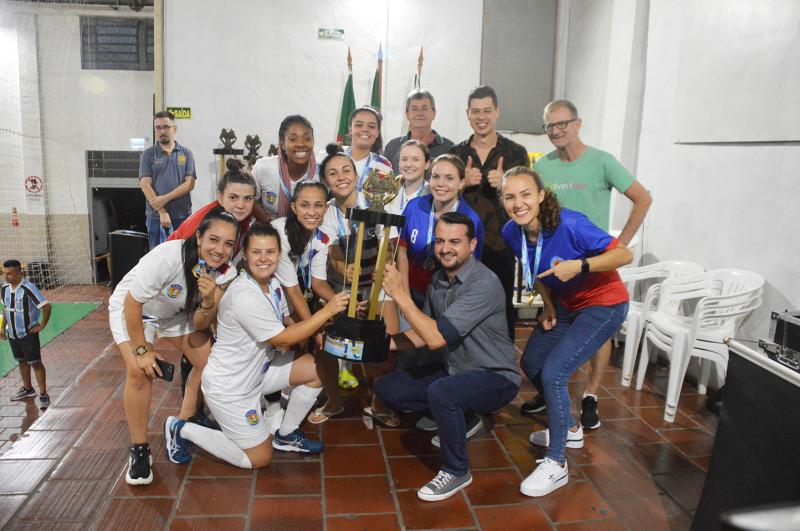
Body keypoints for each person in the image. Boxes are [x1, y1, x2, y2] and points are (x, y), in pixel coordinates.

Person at [164, 223, 350, 468]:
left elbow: (288, 321)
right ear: (245, 254)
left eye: (270, 252)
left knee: (318, 368)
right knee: (259, 459)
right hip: (230, 388)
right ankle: (182, 428)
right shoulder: (244, 295)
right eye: (256, 252)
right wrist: (327, 311)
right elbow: (282, 339)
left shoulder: (272, 284)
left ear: (279, 254)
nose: (264, 259)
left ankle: (286, 434)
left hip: (258, 374)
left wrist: (323, 328)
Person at [500, 166, 631, 497]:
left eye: (526, 194)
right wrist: (548, 306)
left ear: (541, 196)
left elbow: (624, 254)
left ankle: (556, 462)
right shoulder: (510, 231)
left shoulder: (571, 224)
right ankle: (570, 428)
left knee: (555, 374)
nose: (518, 203)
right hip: (567, 305)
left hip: (604, 305)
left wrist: (580, 265)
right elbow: (538, 270)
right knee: (532, 364)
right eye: (510, 196)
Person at [376, 212, 520, 502]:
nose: (445, 248)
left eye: (455, 241)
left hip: (495, 377)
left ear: (472, 244)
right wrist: (380, 345)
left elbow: (434, 338)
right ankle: (464, 420)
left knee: (443, 393)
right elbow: (424, 333)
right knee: (387, 387)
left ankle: (457, 470)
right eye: (440, 241)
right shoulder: (439, 279)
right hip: (456, 370)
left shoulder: (484, 283)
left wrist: (399, 294)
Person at [527, 99, 652, 430]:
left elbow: (643, 198)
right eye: (549, 126)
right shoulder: (544, 167)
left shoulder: (602, 162)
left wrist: (620, 243)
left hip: (592, 265)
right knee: (557, 329)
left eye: (562, 124)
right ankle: (550, 390)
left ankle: (591, 396)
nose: (555, 131)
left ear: (578, 123)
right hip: (556, 270)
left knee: (597, 333)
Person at [108, 210, 239, 485]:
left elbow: (203, 321)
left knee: (209, 362)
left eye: (228, 244)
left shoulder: (227, 272)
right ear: (199, 236)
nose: (220, 250)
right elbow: (132, 304)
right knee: (138, 372)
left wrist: (208, 300)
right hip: (134, 309)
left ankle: (182, 425)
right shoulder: (168, 256)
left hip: (177, 313)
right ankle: (140, 450)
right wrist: (142, 350)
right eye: (214, 240)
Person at [168, 158, 259, 421]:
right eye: (233, 197)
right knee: (200, 353)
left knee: (204, 352)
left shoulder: (242, 217)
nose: (240, 204)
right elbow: (181, 264)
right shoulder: (206, 223)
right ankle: (191, 417)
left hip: (200, 284)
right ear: (220, 197)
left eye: (247, 198)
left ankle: (202, 412)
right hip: (176, 290)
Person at [450, 86, 529, 340]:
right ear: (467, 114)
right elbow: (442, 197)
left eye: (486, 110)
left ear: (497, 112)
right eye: (475, 111)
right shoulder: (457, 154)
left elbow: (527, 199)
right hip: (462, 246)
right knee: (460, 306)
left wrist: (506, 184)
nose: (481, 117)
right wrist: (462, 184)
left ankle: (503, 366)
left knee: (501, 305)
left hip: (501, 244)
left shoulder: (516, 152)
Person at [396, 154, 483, 308]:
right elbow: (401, 252)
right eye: (436, 177)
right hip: (413, 292)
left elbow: (470, 269)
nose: (441, 184)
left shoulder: (471, 220)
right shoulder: (414, 207)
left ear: (461, 183)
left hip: (449, 299)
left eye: (449, 178)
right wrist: (405, 297)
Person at [139, 110, 197, 250]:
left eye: (166, 127)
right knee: (157, 258)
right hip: (156, 218)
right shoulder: (148, 155)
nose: (161, 131)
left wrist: (165, 198)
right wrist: (162, 212)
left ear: (174, 129)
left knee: (182, 256)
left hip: (182, 215)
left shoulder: (186, 153)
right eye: (158, 128)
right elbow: (145, 185)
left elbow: (189, 184)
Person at [1, 260, 51, 408]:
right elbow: (5, 309)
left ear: (19, 273)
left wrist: (41, 325)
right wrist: (3, 327)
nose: (6, 276)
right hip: (12, 334)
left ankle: (43, 394)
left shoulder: (28, 288)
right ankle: (28, 389)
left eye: (9, 273)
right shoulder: (4, 288)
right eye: (4, 273)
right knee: (21, 361)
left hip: (27, 334)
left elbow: (46, 306)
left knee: (35, 363)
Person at [252, 115, 319, 222]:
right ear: (282, 144)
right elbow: (252, 200)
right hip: (269, 231)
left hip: (307, 233)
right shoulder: (263, 167)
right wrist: (273, 227)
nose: (301, 144)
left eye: (307, 139)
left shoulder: (321, 173)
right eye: (293, 139)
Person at [383, 89, 453, 172]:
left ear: (434, 114)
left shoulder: (450, 149)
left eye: (424, 108)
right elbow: (383, 181)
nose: (419, 113)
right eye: (414, 109)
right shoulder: (392, 147)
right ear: (407, 115)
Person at [346, 106, 393, 192]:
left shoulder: (383, 165)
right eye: (359, 125)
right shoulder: (334, 157)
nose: (365, 129)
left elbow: (387, 201)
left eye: (371, 126)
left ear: (377, 133)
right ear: (350, 129)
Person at [384, 139, 430, 216]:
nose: (408, 164)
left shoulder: (432, 195)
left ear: (427, 164)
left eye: (415, 160)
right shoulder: (386, 191)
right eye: (404, 159)